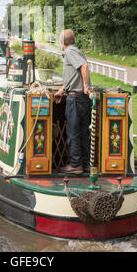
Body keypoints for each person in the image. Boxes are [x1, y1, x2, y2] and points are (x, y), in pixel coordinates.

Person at [54, 29, 91, 174]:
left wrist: (86, 86)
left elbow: (84, 66)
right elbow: (73, 75)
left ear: (61, 42)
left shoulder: (69, 51)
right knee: (82, 132)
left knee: (73, 132)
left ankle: (76, 165)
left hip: (75, 99)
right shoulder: (75, 50)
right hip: (80, 98)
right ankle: (86, 164)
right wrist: (62, 90)